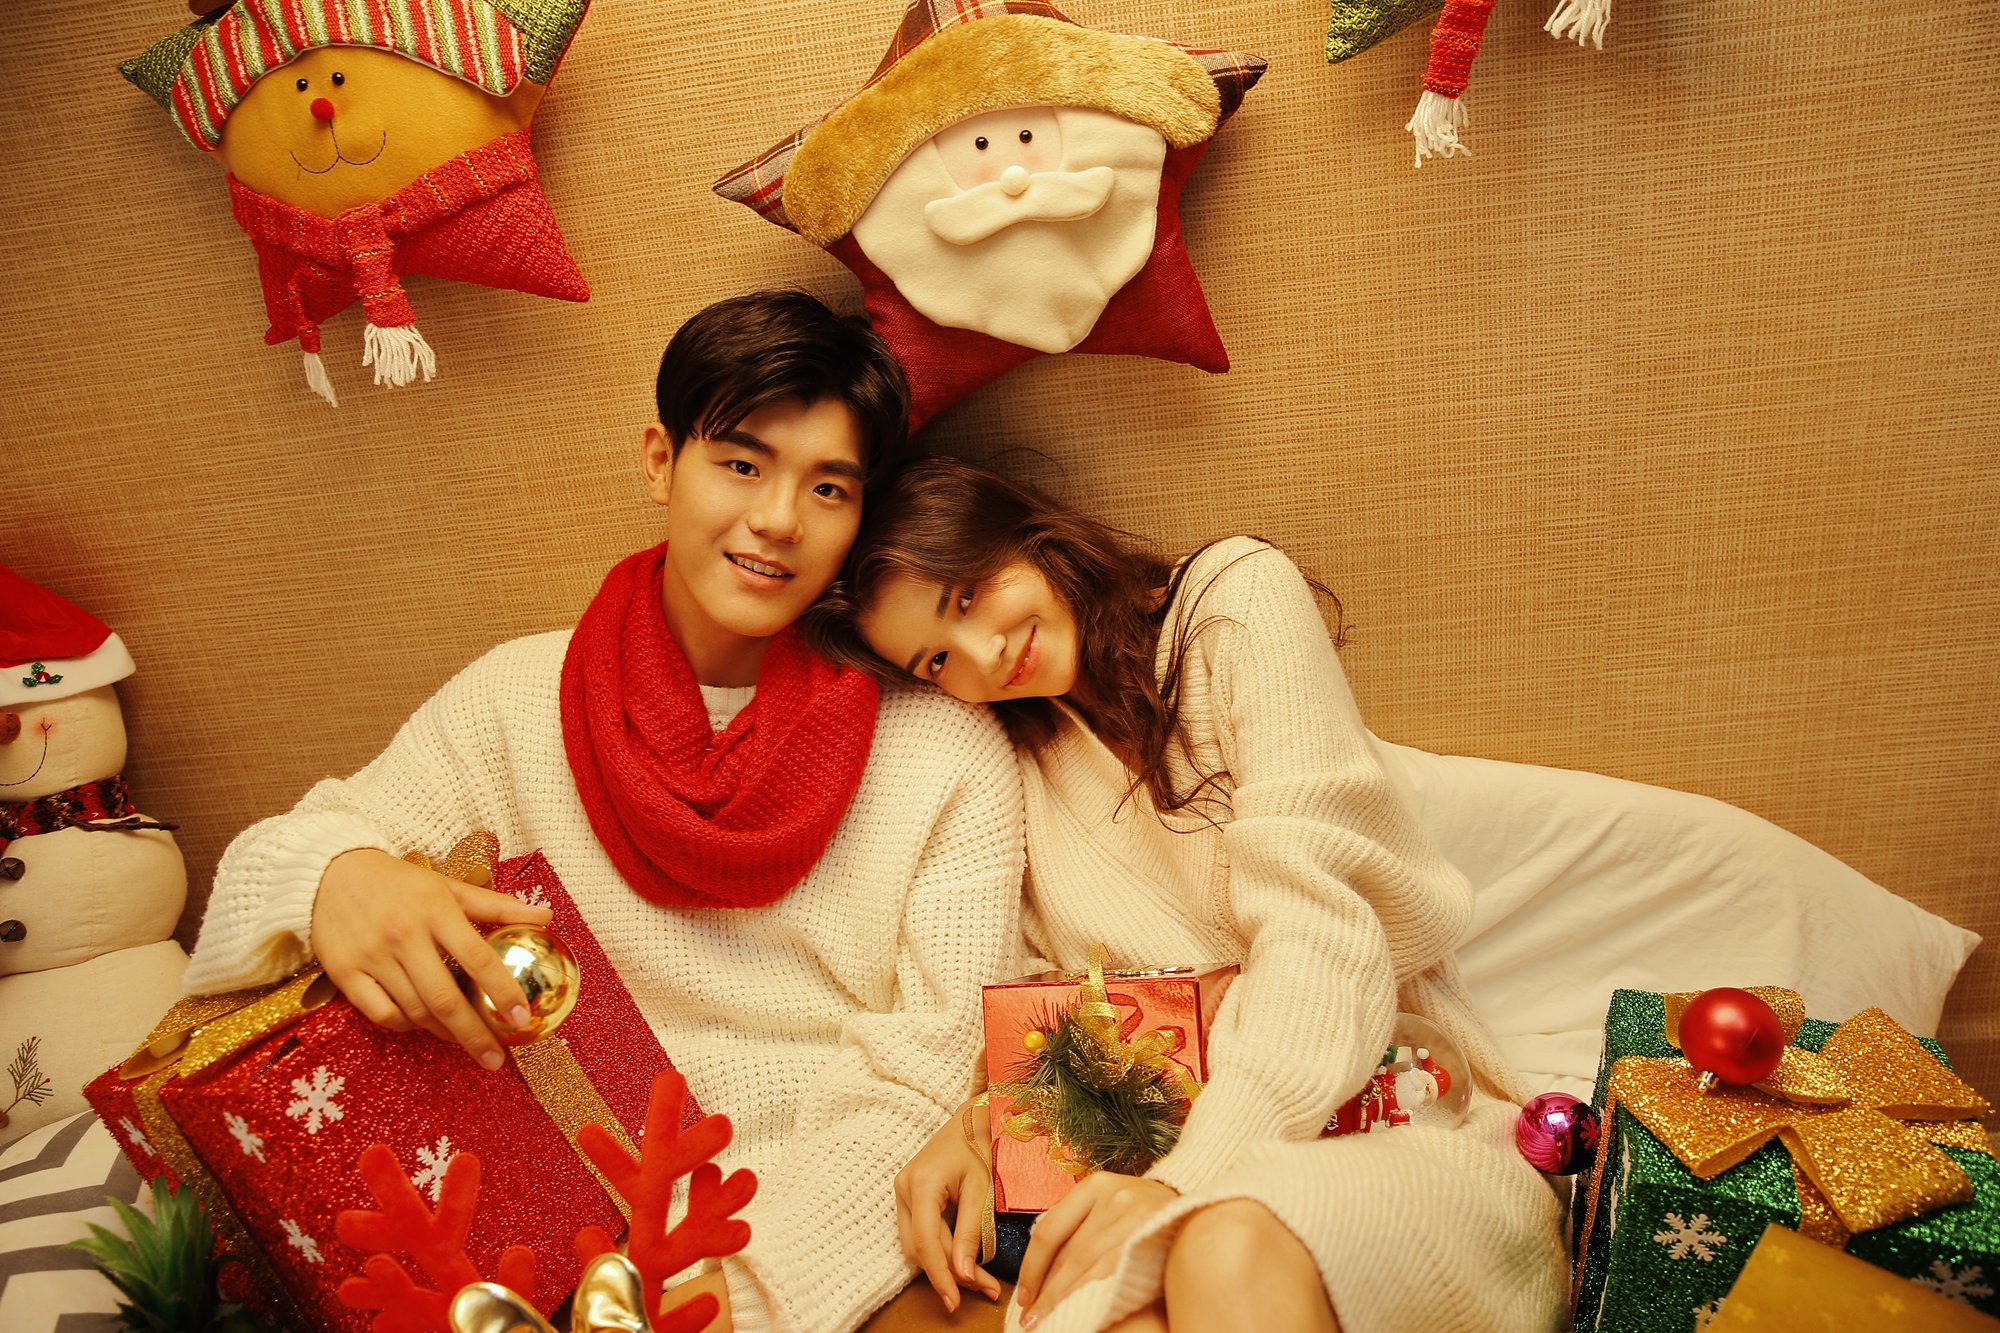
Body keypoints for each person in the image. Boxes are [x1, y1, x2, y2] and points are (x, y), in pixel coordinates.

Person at [181, 293, 1025, 1333]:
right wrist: (335, 877)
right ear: (661, 461)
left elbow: (929, 1075)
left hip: (817, 1259)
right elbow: (265, 873)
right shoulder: (515, 700)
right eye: (742, 463)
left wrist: (731, 1292)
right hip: (523, 1249)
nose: (777, 519)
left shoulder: (942, 755)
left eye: (828, 487)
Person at [804, 457, 1569, 1333]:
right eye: (938, 658)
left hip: (1406, 1112)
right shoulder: (1030, 763)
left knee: (1223, 1247)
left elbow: (1323, 932)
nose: (985, 656)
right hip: (1172, 1160)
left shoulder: (1233, 601)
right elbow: (1075, 1003)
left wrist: (1186, 1179)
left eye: (969, 597)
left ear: (1023, 535)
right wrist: (979, 1126)